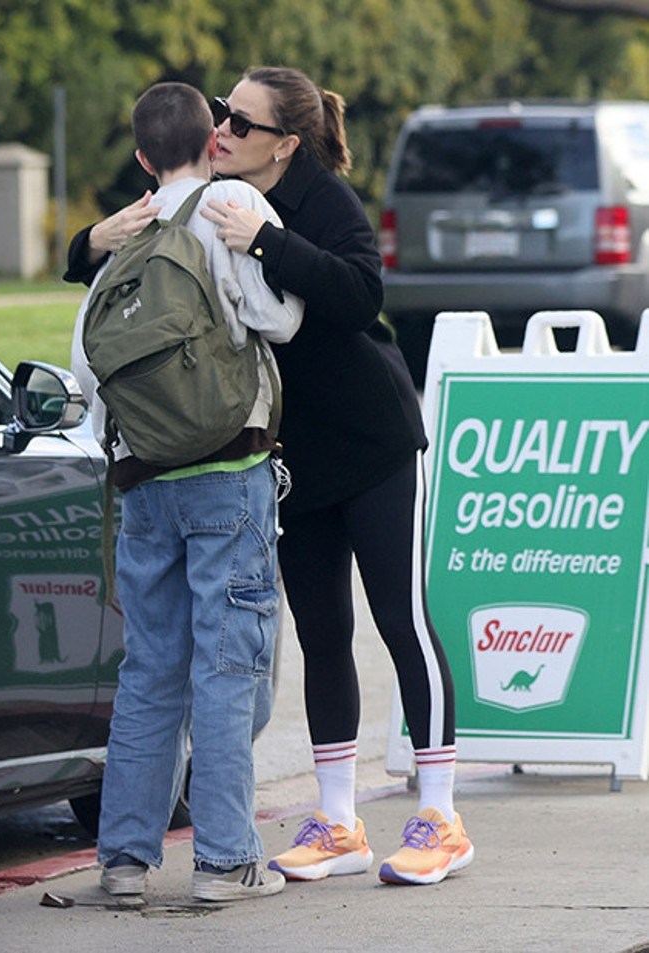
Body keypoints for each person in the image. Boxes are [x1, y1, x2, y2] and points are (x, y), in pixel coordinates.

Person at [66, 68, 473, 888]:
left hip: (375, 440)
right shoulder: (216, 184)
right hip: (294, 456)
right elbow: (143, 245)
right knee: (321, 635)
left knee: (400, 620)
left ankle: (440, 814)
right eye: (221, 116)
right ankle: (337, 821)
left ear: (286, 142)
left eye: (241, 124)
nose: (221, 130)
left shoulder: (317, 199)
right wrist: (87, 244)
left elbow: (361, 296)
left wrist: (265, 239)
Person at [68, 81, 303, 903]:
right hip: (228, 476)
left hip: (144, 488)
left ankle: (123, 865)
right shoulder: (231, 201)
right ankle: (224, 861)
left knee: (149, 674)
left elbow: (86, 375)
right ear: (214, 141)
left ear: (140, 158)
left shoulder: (117, 243)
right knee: (228, 670)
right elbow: (280, 320)